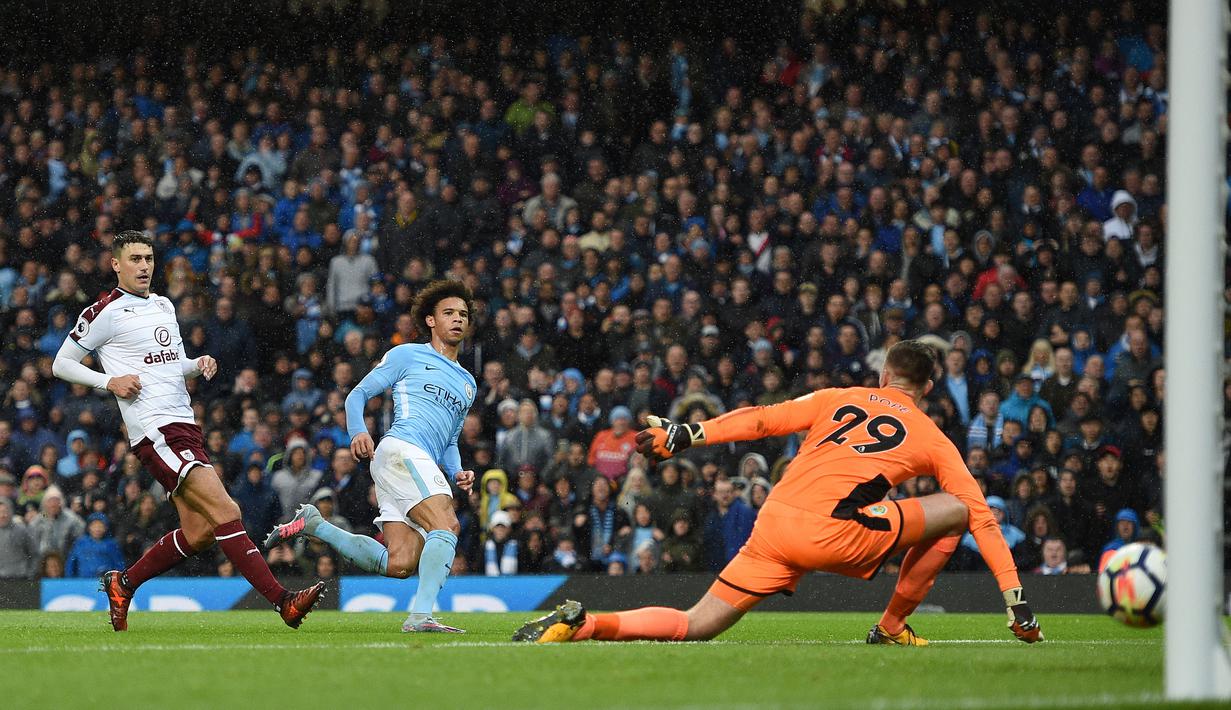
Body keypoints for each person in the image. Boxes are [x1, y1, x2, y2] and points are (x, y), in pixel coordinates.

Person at [514, 340, 1042, 645]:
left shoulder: (839, 395)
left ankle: (583, 625)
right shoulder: (932, 436)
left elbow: (764, 420)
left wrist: (690, 435)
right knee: (957, 510)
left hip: (773, 523)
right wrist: (1015, 599)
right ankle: (892, 626)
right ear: (927, 389)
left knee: (695, 624)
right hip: (832, 531)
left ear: (883, 375)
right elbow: (983, 518)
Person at [52, 230, 325, 631]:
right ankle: (283, 601)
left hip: (184, 423)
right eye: (134, 259)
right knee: (227, 510)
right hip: (154, 429)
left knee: (198, 533)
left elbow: (168, 362)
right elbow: (61, 363)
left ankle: (123, 583)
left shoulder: (163, 305)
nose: (144, 266)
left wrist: (196, 364)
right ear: (116, 265)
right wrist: (108, 382)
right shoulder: (103, 312)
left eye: (148, 258)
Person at [266, 280, 477, 633]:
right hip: (403, 450)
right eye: (449, 313)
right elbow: (357, 394)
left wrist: (458, 471)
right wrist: (358, 431)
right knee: (447, 525)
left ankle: (317, 526)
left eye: (464, 315)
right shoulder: (407, 354)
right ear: (430, 321)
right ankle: (420, 617)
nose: (458, 319)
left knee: (401, 563)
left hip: (413, 464)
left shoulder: (468, 382)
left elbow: (451, 438)